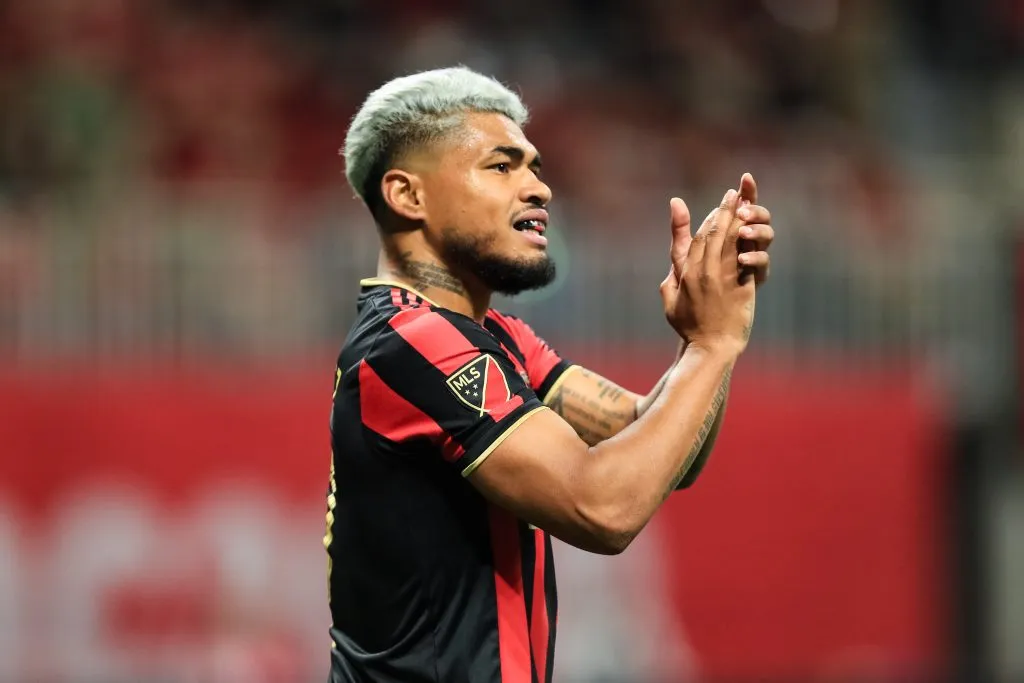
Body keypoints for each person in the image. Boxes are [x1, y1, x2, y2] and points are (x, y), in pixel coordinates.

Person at [324, 66, 775, 683]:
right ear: (408, 196)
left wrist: (707, 329)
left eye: (534, 167)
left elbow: (667, 447)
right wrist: (712, 347)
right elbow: (603, 508)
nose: (538, 189)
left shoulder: (498, 339)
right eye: (501, 166)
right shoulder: (409, 341)